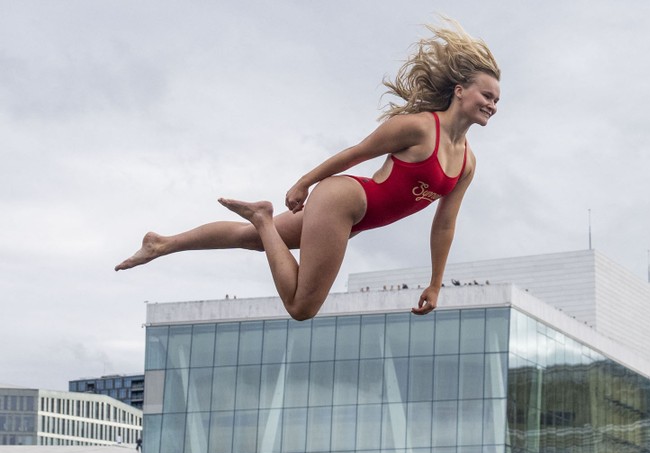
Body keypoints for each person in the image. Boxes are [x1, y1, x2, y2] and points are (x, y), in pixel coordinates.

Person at [115, 21, 501, 326]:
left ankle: (162, 244)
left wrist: (435, 284)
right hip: (342, 204)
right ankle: (264, 218)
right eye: (486, 95)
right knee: (302, 307)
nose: (492, 105)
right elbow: (356, 154)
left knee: (248, 239)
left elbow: (444, 225)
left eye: (497, 100)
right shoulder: (419, 127)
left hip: (350, 216)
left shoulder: (467, 163)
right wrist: (305, 182)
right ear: (459, 91)